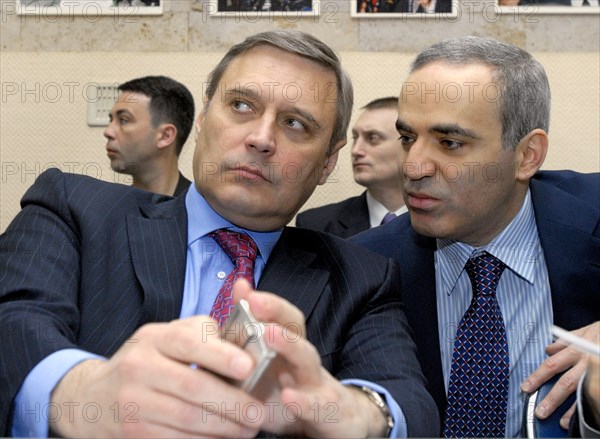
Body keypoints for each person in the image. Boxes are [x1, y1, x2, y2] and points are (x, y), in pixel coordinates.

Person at [0, 30, 439, 438]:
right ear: (206, 113)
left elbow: (410, 404)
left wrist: (350, 411)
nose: (261, 138)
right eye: (242, 106)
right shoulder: (76, 208)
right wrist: (82, 393)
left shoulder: (361, 279)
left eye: (295, 124)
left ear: (327, 162)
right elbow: (15, 322)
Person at [351, 35, 600, 437]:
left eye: (450, 143)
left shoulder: (593, 216)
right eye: (408, 138)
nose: (413, 167)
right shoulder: (363, 268)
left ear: (527, 156)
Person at [296, 97, 407, 238]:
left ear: (408, 143)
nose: (356, 150)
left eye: (373, 138)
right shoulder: (316, 226)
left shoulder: (439, 224)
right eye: (355, 138)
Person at [104, 75, 194, 196]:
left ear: (165, 136)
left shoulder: (203, 211)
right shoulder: (105, 209)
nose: (108, 132)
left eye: (123, 120)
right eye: (111, 120)